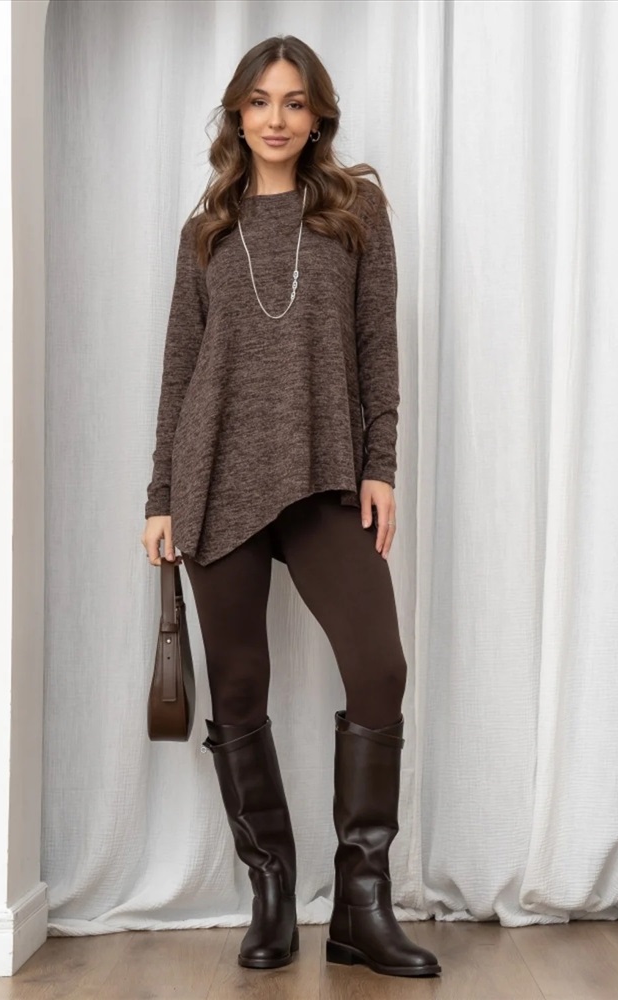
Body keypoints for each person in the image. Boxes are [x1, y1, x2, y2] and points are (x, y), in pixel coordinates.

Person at [140, 35, 442, 980]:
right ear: (238, 114)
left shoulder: (355, 210)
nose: (276, 118)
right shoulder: (206, 230)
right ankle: (270, 891)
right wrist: (160, 495)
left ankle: (360, 906)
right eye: (260, 101)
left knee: (379, 668)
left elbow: (377, 346)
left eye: (295, 102)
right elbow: (180, 368)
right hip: (215, 477)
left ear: (317, 118)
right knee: (237, 690)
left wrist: (379, 465)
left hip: (323, 473)